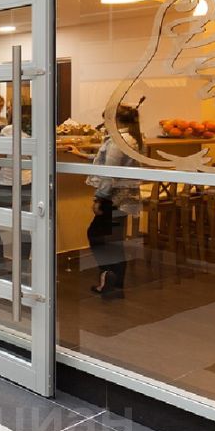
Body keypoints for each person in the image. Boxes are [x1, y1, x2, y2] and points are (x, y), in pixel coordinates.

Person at [73, 105, 144, 298]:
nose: (104, 123)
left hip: (114, 197)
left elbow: (109, 173)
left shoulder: (118, 140)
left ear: (115, 120)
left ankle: (108, 275)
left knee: (97, 235)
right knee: (113, 239)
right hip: (125, 196)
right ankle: (115, 282)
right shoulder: (130, 138)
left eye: (106, 119)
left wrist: (100, 197)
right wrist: (82, 154)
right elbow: (107, 160)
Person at [0, 106, 32, 275]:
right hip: (26, 183)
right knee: (23, 226)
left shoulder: (9, 130)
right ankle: (23, 267)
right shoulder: (35, 132)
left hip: (5, 183)